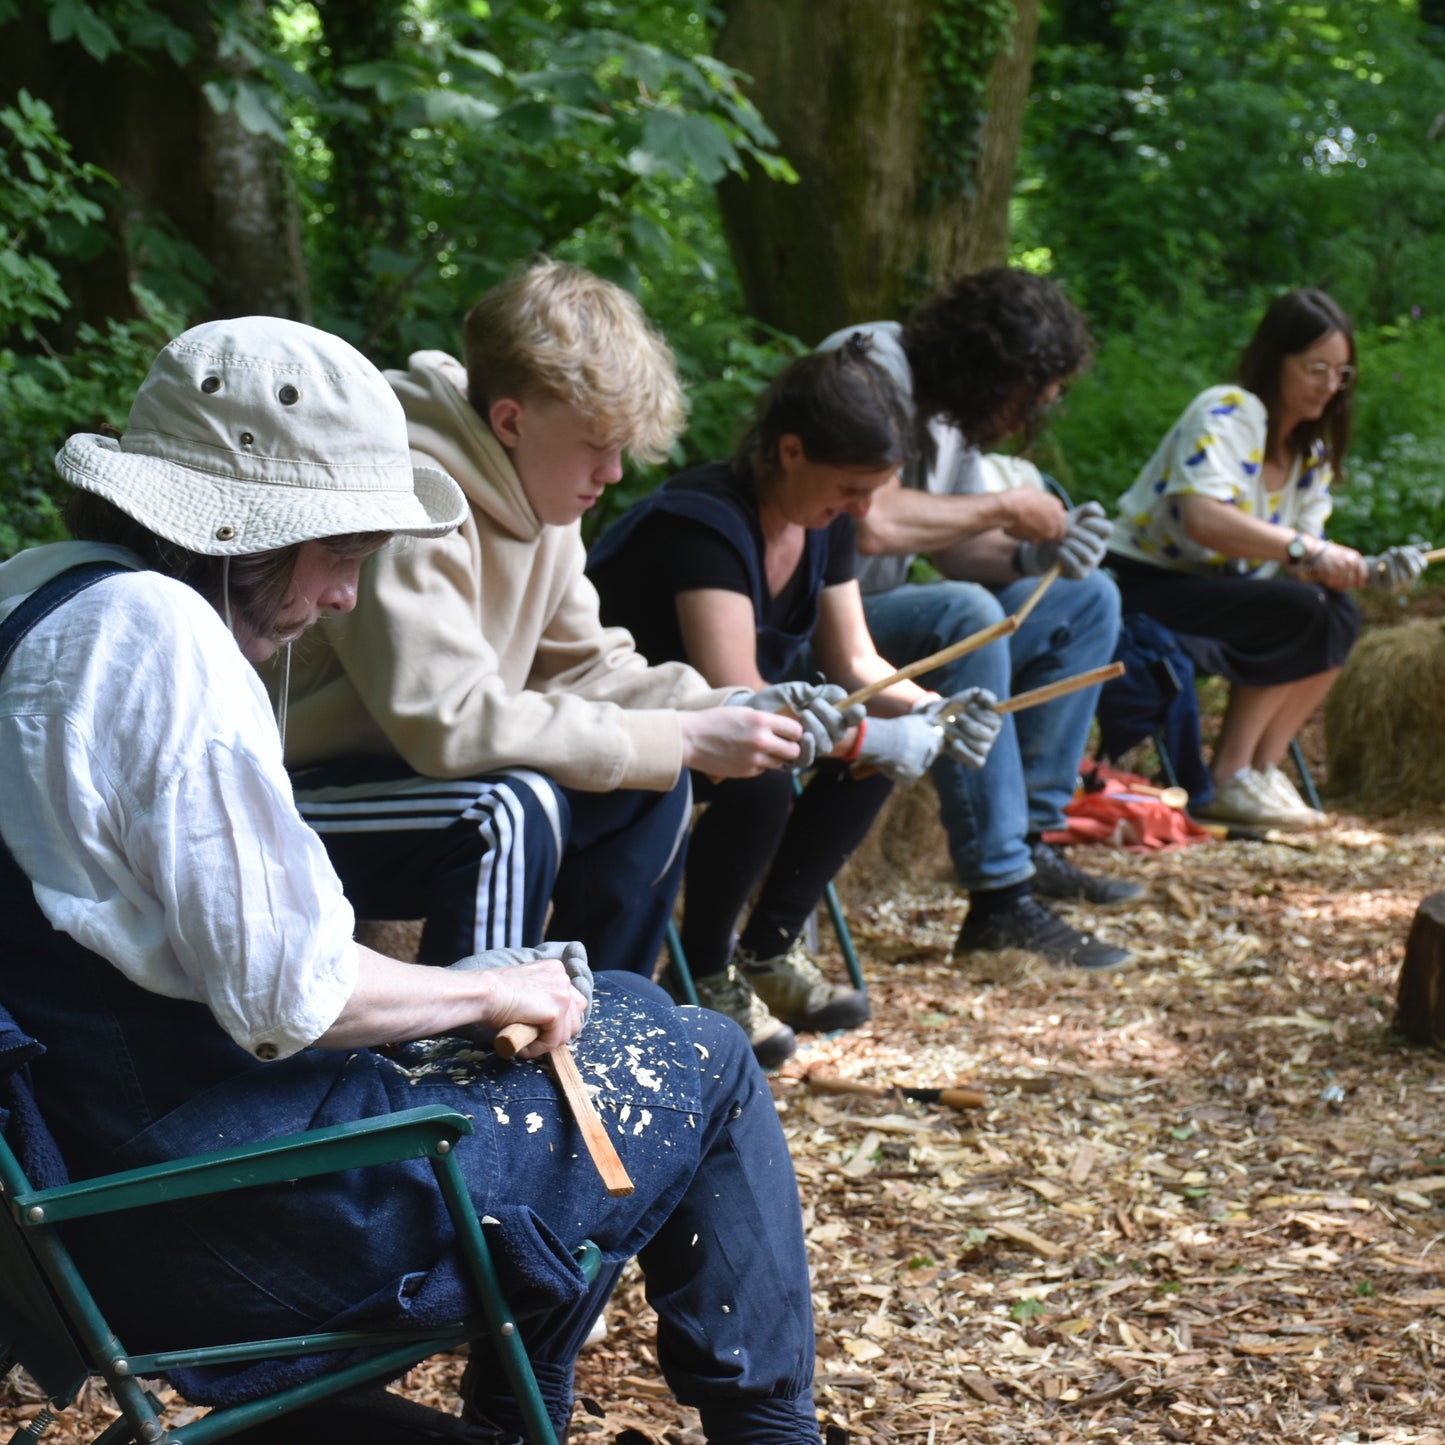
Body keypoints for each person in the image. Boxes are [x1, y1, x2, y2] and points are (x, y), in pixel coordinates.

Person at [0, 317, 823, 1443]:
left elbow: (186, 949)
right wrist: (484, 990)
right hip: (242, 1219)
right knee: (700, 1051)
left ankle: (514, 1408)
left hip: (80, 1208)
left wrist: (467, 979)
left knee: (602, 1020)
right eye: (340, 552)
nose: (345, 596)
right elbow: (290, 994)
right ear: (242, 530)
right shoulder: (162, 638)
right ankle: (772, 1432)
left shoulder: (33, 599)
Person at [270, 259, 823, 980]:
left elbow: (588, 666)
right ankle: (470, 1064)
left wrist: (740, 709)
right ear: (511, 421)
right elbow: (447, 722)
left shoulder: (542, 498)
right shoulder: (406, 502)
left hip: (409, 781)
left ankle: (600, 1036)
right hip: (291, 795)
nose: (616, 472)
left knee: (652, 783)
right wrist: (681, 733)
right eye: (599, 445)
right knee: (508, 806)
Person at [588, 343, 1003, 1065]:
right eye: (850, 487)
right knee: (767, 769)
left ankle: (766, 951)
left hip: (715, 721)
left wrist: (931, 708)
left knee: (876, 750)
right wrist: (874, 733)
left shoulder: (823, 517)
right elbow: (740, 696)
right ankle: (706, 968)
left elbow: (856, 660)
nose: (863, 511)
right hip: (631, 729)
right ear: (789, 450)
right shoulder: (704, 522)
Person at [816, 268, 1138, 974]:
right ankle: (999, 898)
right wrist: (1005, 507)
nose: (1027, 420)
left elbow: (957, 547)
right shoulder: (866, 366)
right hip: (815, 624)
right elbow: (872, 521)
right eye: (1030, 398)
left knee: (1090, 598)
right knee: (966, 614)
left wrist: (1035, 549)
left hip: (875, 617)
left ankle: (1031, 841)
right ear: (996, 370)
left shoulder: (947, 410)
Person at [1107, 286, 1425, 830]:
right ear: (1275, 360)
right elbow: (1202, 518)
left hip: (1219, 596)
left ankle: (1260, 768)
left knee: (1337, 611)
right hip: (1140, 586)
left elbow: (1309, 565)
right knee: (1301, 610)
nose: (1330, 386)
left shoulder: (1311, 453)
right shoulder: (1228, 410)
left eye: (1341, 374)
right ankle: (1227, 778)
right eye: (1315, 368)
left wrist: (1373, 570)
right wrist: (1310, 551)